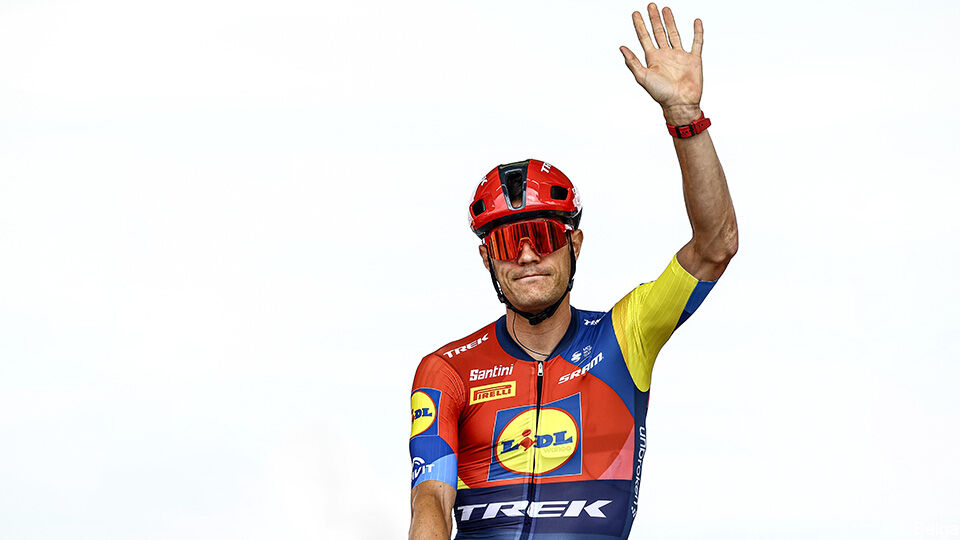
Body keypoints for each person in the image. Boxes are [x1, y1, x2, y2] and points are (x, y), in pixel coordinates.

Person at [408, 4, 737, 539]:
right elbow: (430, 500)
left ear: (574, 244)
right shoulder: (448, 370)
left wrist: (685, 117)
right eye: (508, 242)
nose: (526, 256)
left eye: (541, 237)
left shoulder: (625, 336)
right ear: (487, 259)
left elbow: (715, 247)